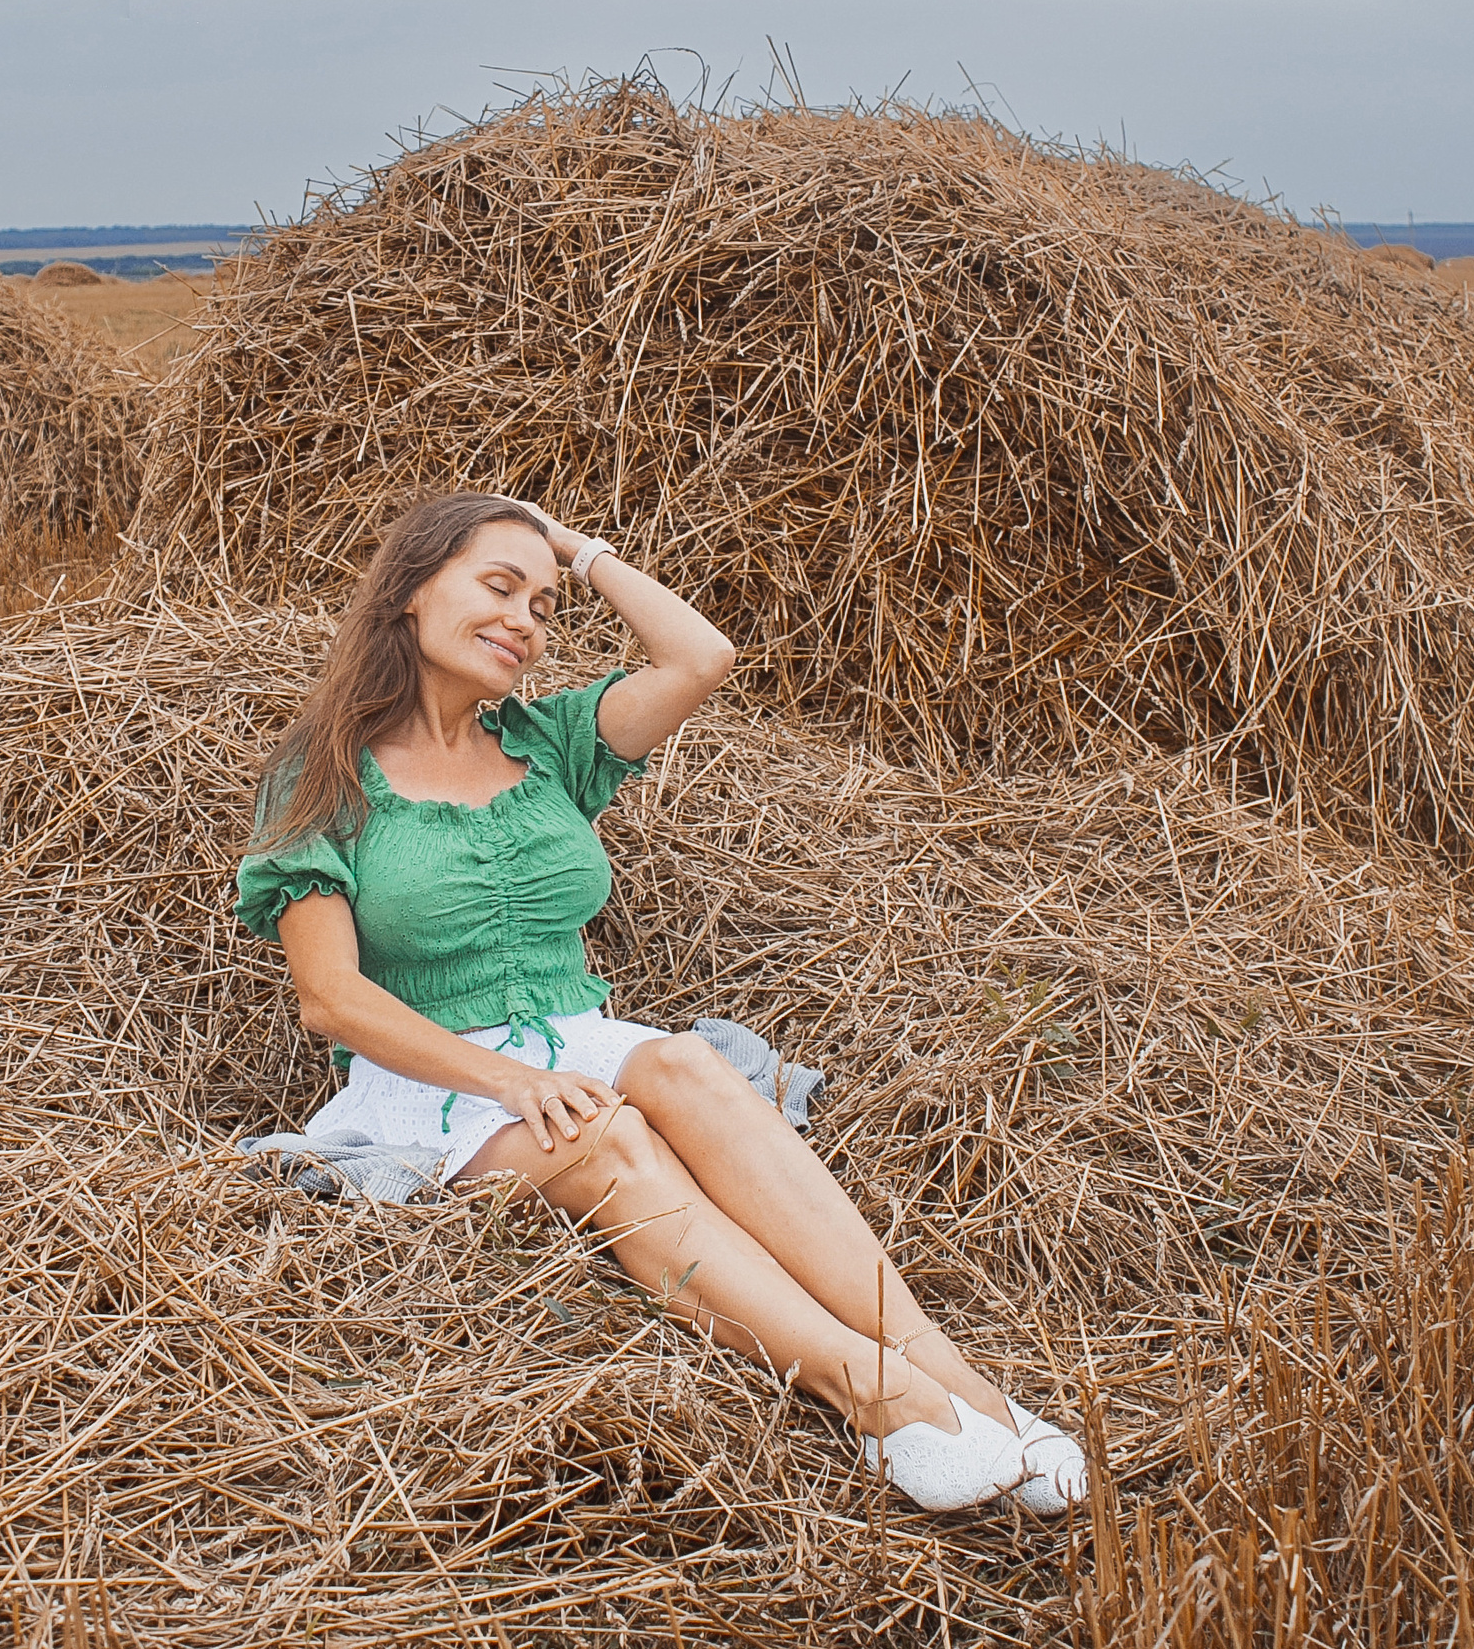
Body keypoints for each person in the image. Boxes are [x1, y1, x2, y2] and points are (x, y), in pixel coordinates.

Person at [234, 492, 1089, 1517]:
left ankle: (958, 1381)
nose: (525, 620)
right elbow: (330, 1001)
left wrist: (575, 549)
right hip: (426, 1080)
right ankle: (872, 1393)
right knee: (609, 1140)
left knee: (686, 1064)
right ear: (409, 594)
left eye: (541, 604)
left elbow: (700, 657)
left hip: (579, 1032)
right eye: (496, 586)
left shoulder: (548, 742)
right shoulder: (317, 773)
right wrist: (512, 1079)